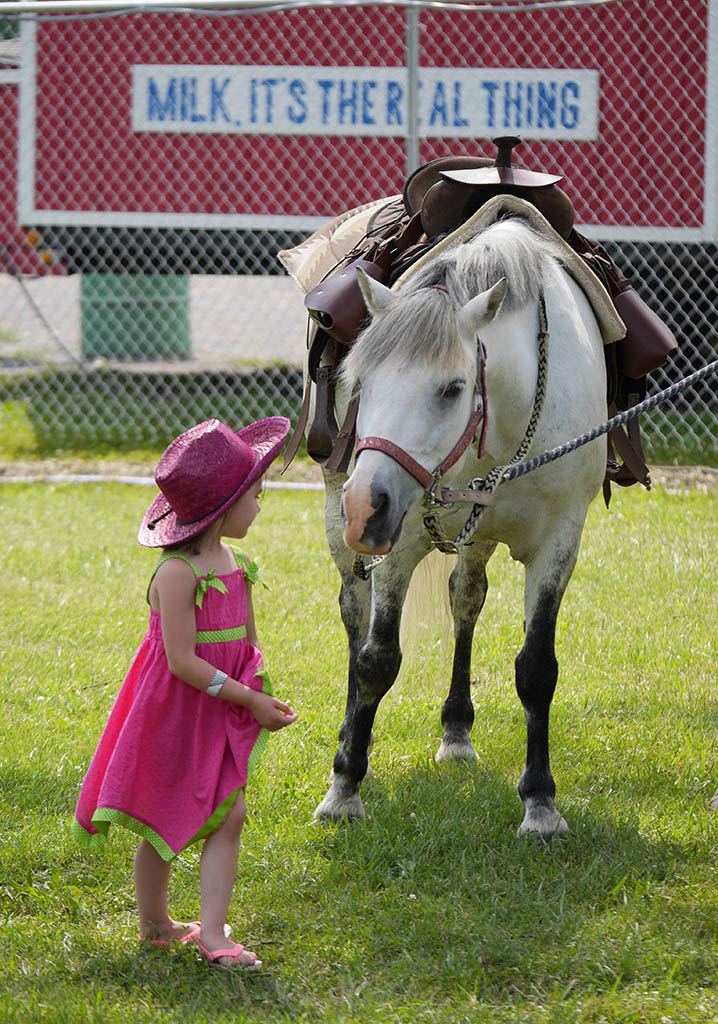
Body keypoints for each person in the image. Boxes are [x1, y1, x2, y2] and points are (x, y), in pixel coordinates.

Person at [73, 417, 298, 970]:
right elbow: (181, 661)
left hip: (220, 713)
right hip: (175, 712)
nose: (261, 507)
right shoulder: (177, 574)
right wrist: (245, 699)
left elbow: (248, 645)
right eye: (256, 496)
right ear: (224, 505)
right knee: (166, 816)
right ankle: (156, 924)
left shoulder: (237, 567)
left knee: (229, 814)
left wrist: (257, 693)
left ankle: (215, 932)